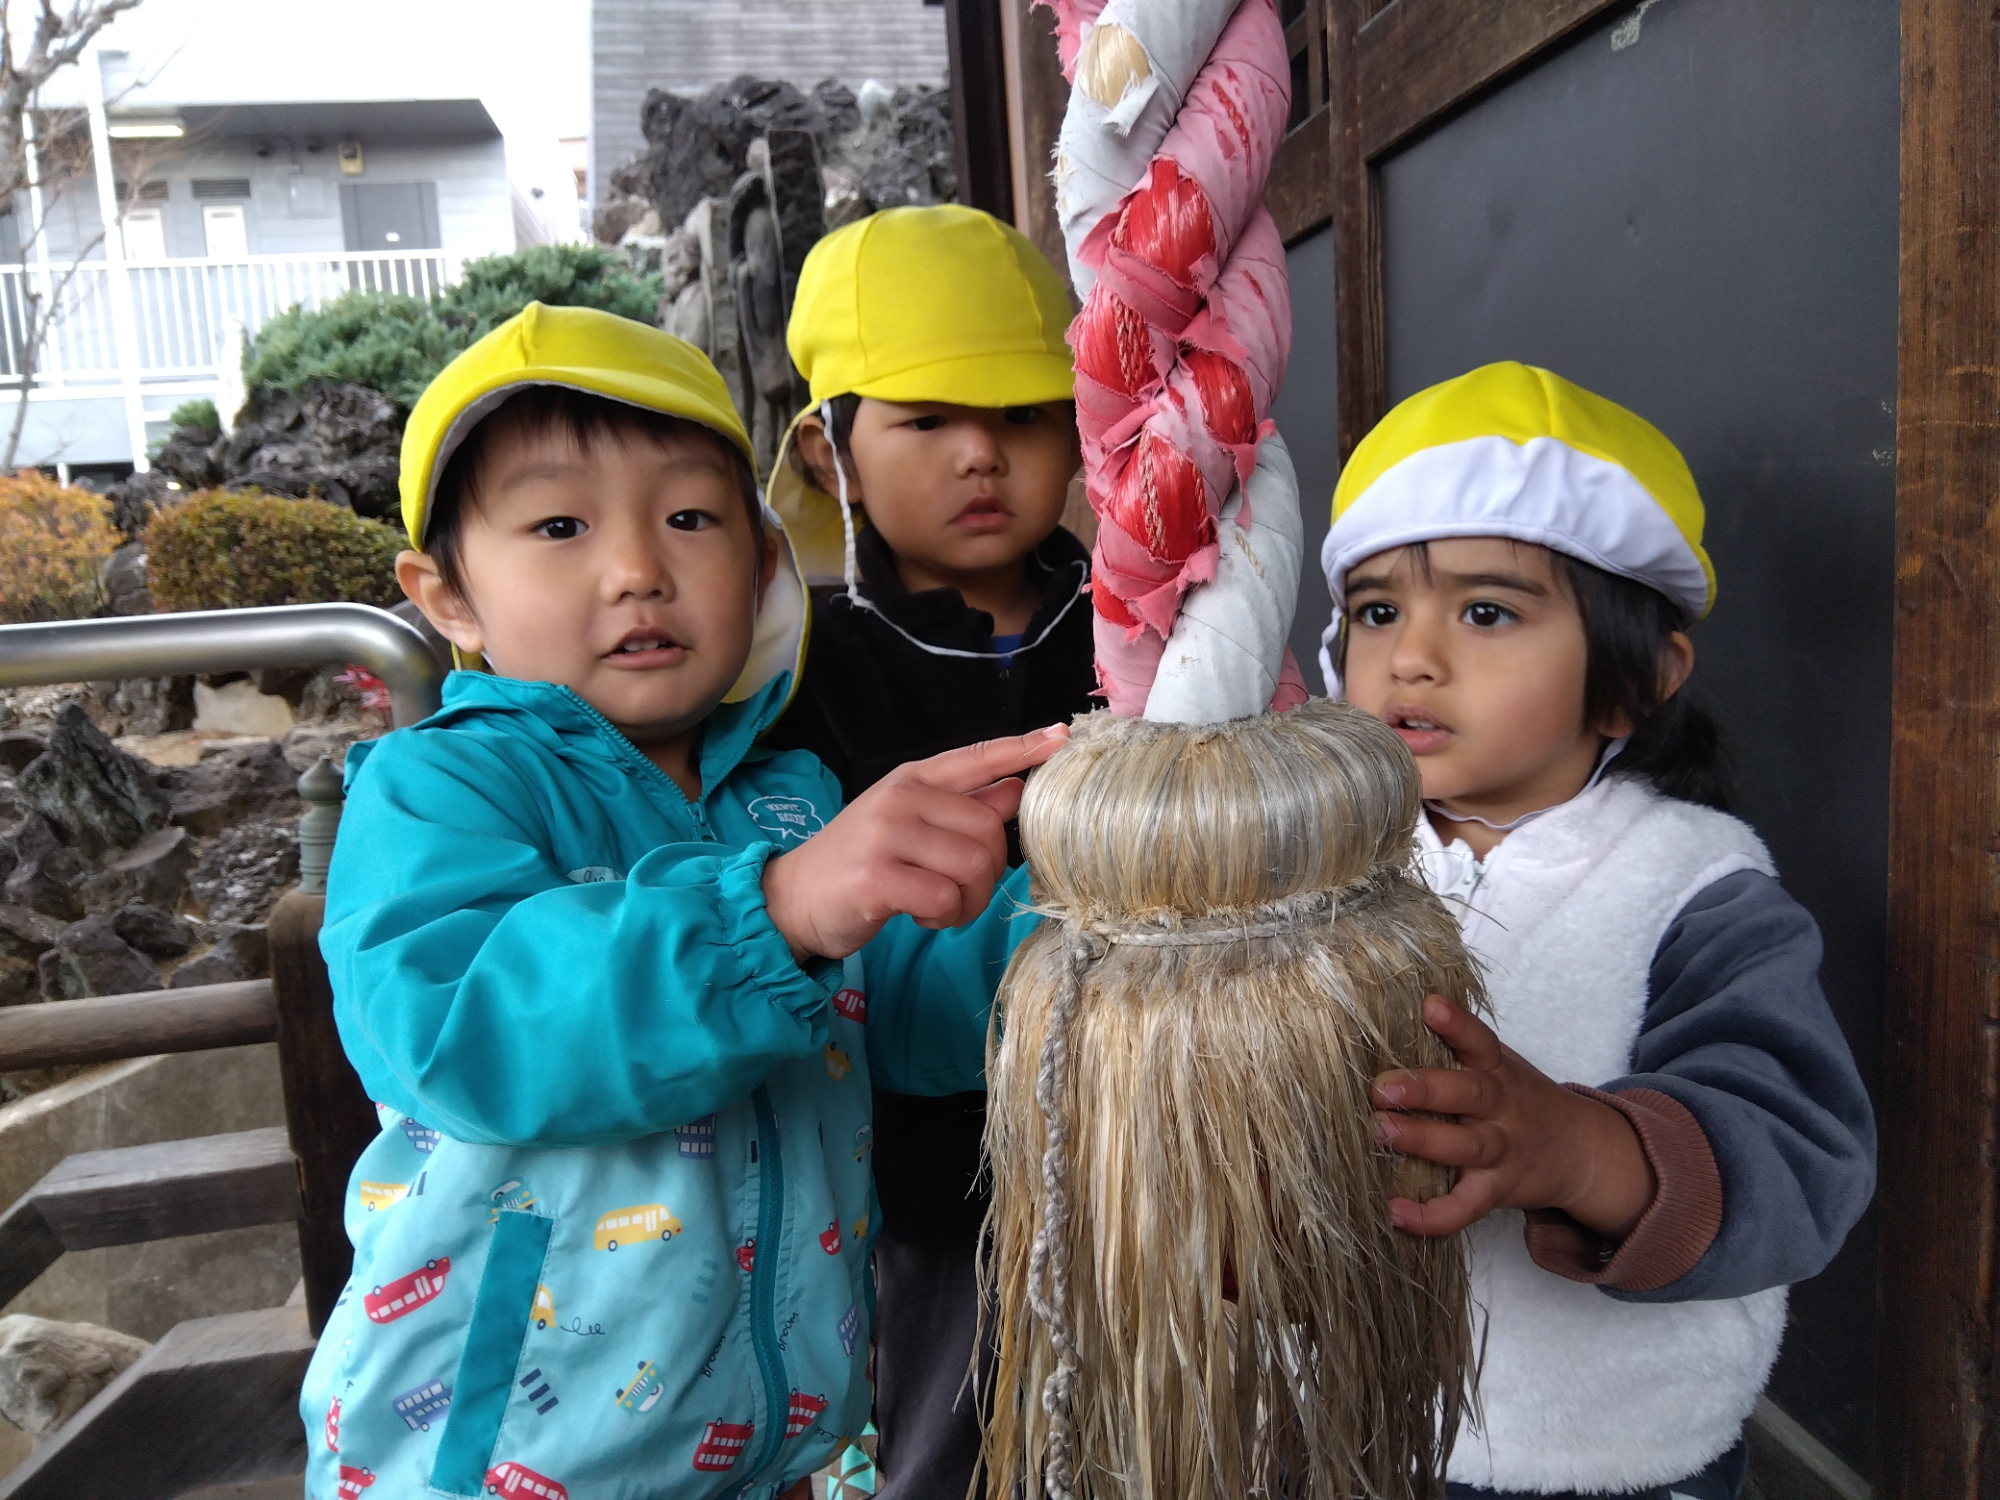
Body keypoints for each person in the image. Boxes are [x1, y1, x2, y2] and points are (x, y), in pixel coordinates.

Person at [297, 302, 1066, 1500]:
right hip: (501, 1453)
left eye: (690, 518)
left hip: (773, 1448)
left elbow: (904, 1005)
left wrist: (1071, 913)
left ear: (761, 564)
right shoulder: (440, 785)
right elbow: (455, 1027)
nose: (637, 569)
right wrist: (773, 912)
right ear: (446, 596)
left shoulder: (788, 798)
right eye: (559, 524)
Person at [1323, 362, 1875, 1500]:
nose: (1411, 656)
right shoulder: (1320, 868)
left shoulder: (1694, 890)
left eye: (1484, 612)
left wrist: (1572, 1148)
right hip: (1343, 1428)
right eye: (1377, 610)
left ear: (1633, 682)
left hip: (1600, 1456)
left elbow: (1797, 1158)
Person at [760, 204, 1098, 1499]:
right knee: (949, 1451)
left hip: (1148, 1133)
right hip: (923, 1181)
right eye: (927, 420)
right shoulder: (799, 668)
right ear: (822, 443)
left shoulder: (1156, 626)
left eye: (1024, 416)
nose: (983, 457)